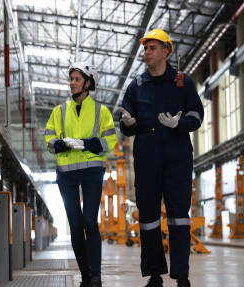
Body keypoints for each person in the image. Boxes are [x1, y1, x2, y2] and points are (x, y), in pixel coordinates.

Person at [118, 29, 204, 287]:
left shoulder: (183, 82)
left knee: (179, 215)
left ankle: (181, 274)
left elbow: (197, 115)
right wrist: (127, 124)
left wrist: (180, 123)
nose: (147, 53)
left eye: (152, 48)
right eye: (145, 49)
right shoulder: (137, 86)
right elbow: (126, 122)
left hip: (177, 156)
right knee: (148, 218)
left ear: (166, 51)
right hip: (147, 157)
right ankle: (155, 275)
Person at [44, 62, 117, 287]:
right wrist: (60, 144)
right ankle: (86, 276)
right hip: (66, 174)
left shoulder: (101, 111)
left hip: (92, 172)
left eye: (76, 79)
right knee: (75, 225)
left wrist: (86, 143)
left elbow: (110, 141)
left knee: (89, 222)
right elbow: (49, 138)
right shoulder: (59, 111)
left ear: (88, 83)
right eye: (71, 79)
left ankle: (96, 275)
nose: (72, 83)